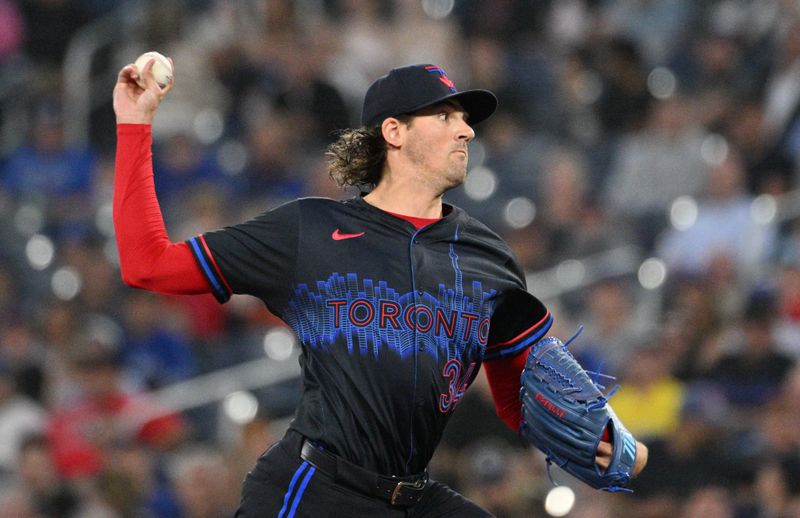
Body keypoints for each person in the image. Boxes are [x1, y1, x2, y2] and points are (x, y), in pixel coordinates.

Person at [112, 58, 647, 516]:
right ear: (394, 132)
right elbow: (148, 265)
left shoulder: (487, 258)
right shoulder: (309, 231)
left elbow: (518, 396)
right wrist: (134, 125)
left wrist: (603, 436)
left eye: (465, 119)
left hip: (412, 496)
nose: (466, 130)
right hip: (314, 490)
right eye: (445, 116)